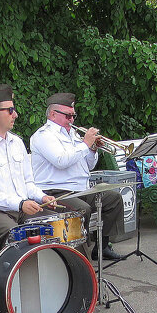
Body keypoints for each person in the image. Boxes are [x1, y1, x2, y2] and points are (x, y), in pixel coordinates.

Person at [29, 92, 125, 261]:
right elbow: (61, 161)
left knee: (114, 198)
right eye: (68, 116)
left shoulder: (72, 135)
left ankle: (102, 246)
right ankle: (80, 256)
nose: (72, 120)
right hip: (54, 191)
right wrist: (85, 144)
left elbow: (88, 165)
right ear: (53, 114)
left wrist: (92, 149)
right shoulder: (43, 136)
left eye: (73, 115)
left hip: (80, 189)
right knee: (82, 209)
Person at [0, 84, 56, 250]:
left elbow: (28, 182)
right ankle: (10, 276)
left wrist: (42, 197)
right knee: (14, 233)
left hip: (20, 206)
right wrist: (20, 204)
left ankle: (55, 273)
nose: (15, 114)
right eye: (10, 110)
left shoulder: (17, 143)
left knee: (54, 225)